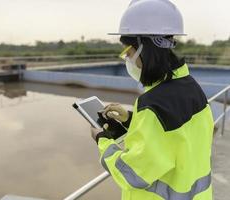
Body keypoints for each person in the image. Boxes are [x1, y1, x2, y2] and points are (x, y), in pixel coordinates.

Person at [90, 0, 214, 199]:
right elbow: (173, 139)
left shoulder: (154, 104)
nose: (127, 59)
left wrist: (102, 140)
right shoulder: (191, 88)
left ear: (145, 50)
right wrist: (131, 119)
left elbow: (132, 174)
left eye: (128, 52)